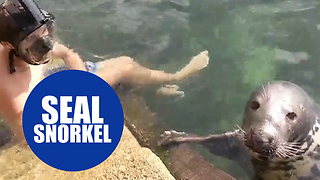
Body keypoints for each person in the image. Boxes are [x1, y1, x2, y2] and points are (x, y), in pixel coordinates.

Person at [0, 0, 210, 144]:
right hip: (49, 106)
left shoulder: (31, 43)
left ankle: (151, 88)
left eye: (45, 31)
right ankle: (178, 76)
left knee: (121, 66)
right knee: (124, 66)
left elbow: (68, 54)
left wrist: (82, 80)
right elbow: (32, 135)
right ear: (8, 46)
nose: (44, 42)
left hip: (56, 80)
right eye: (32, 40)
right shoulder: (11, 90)